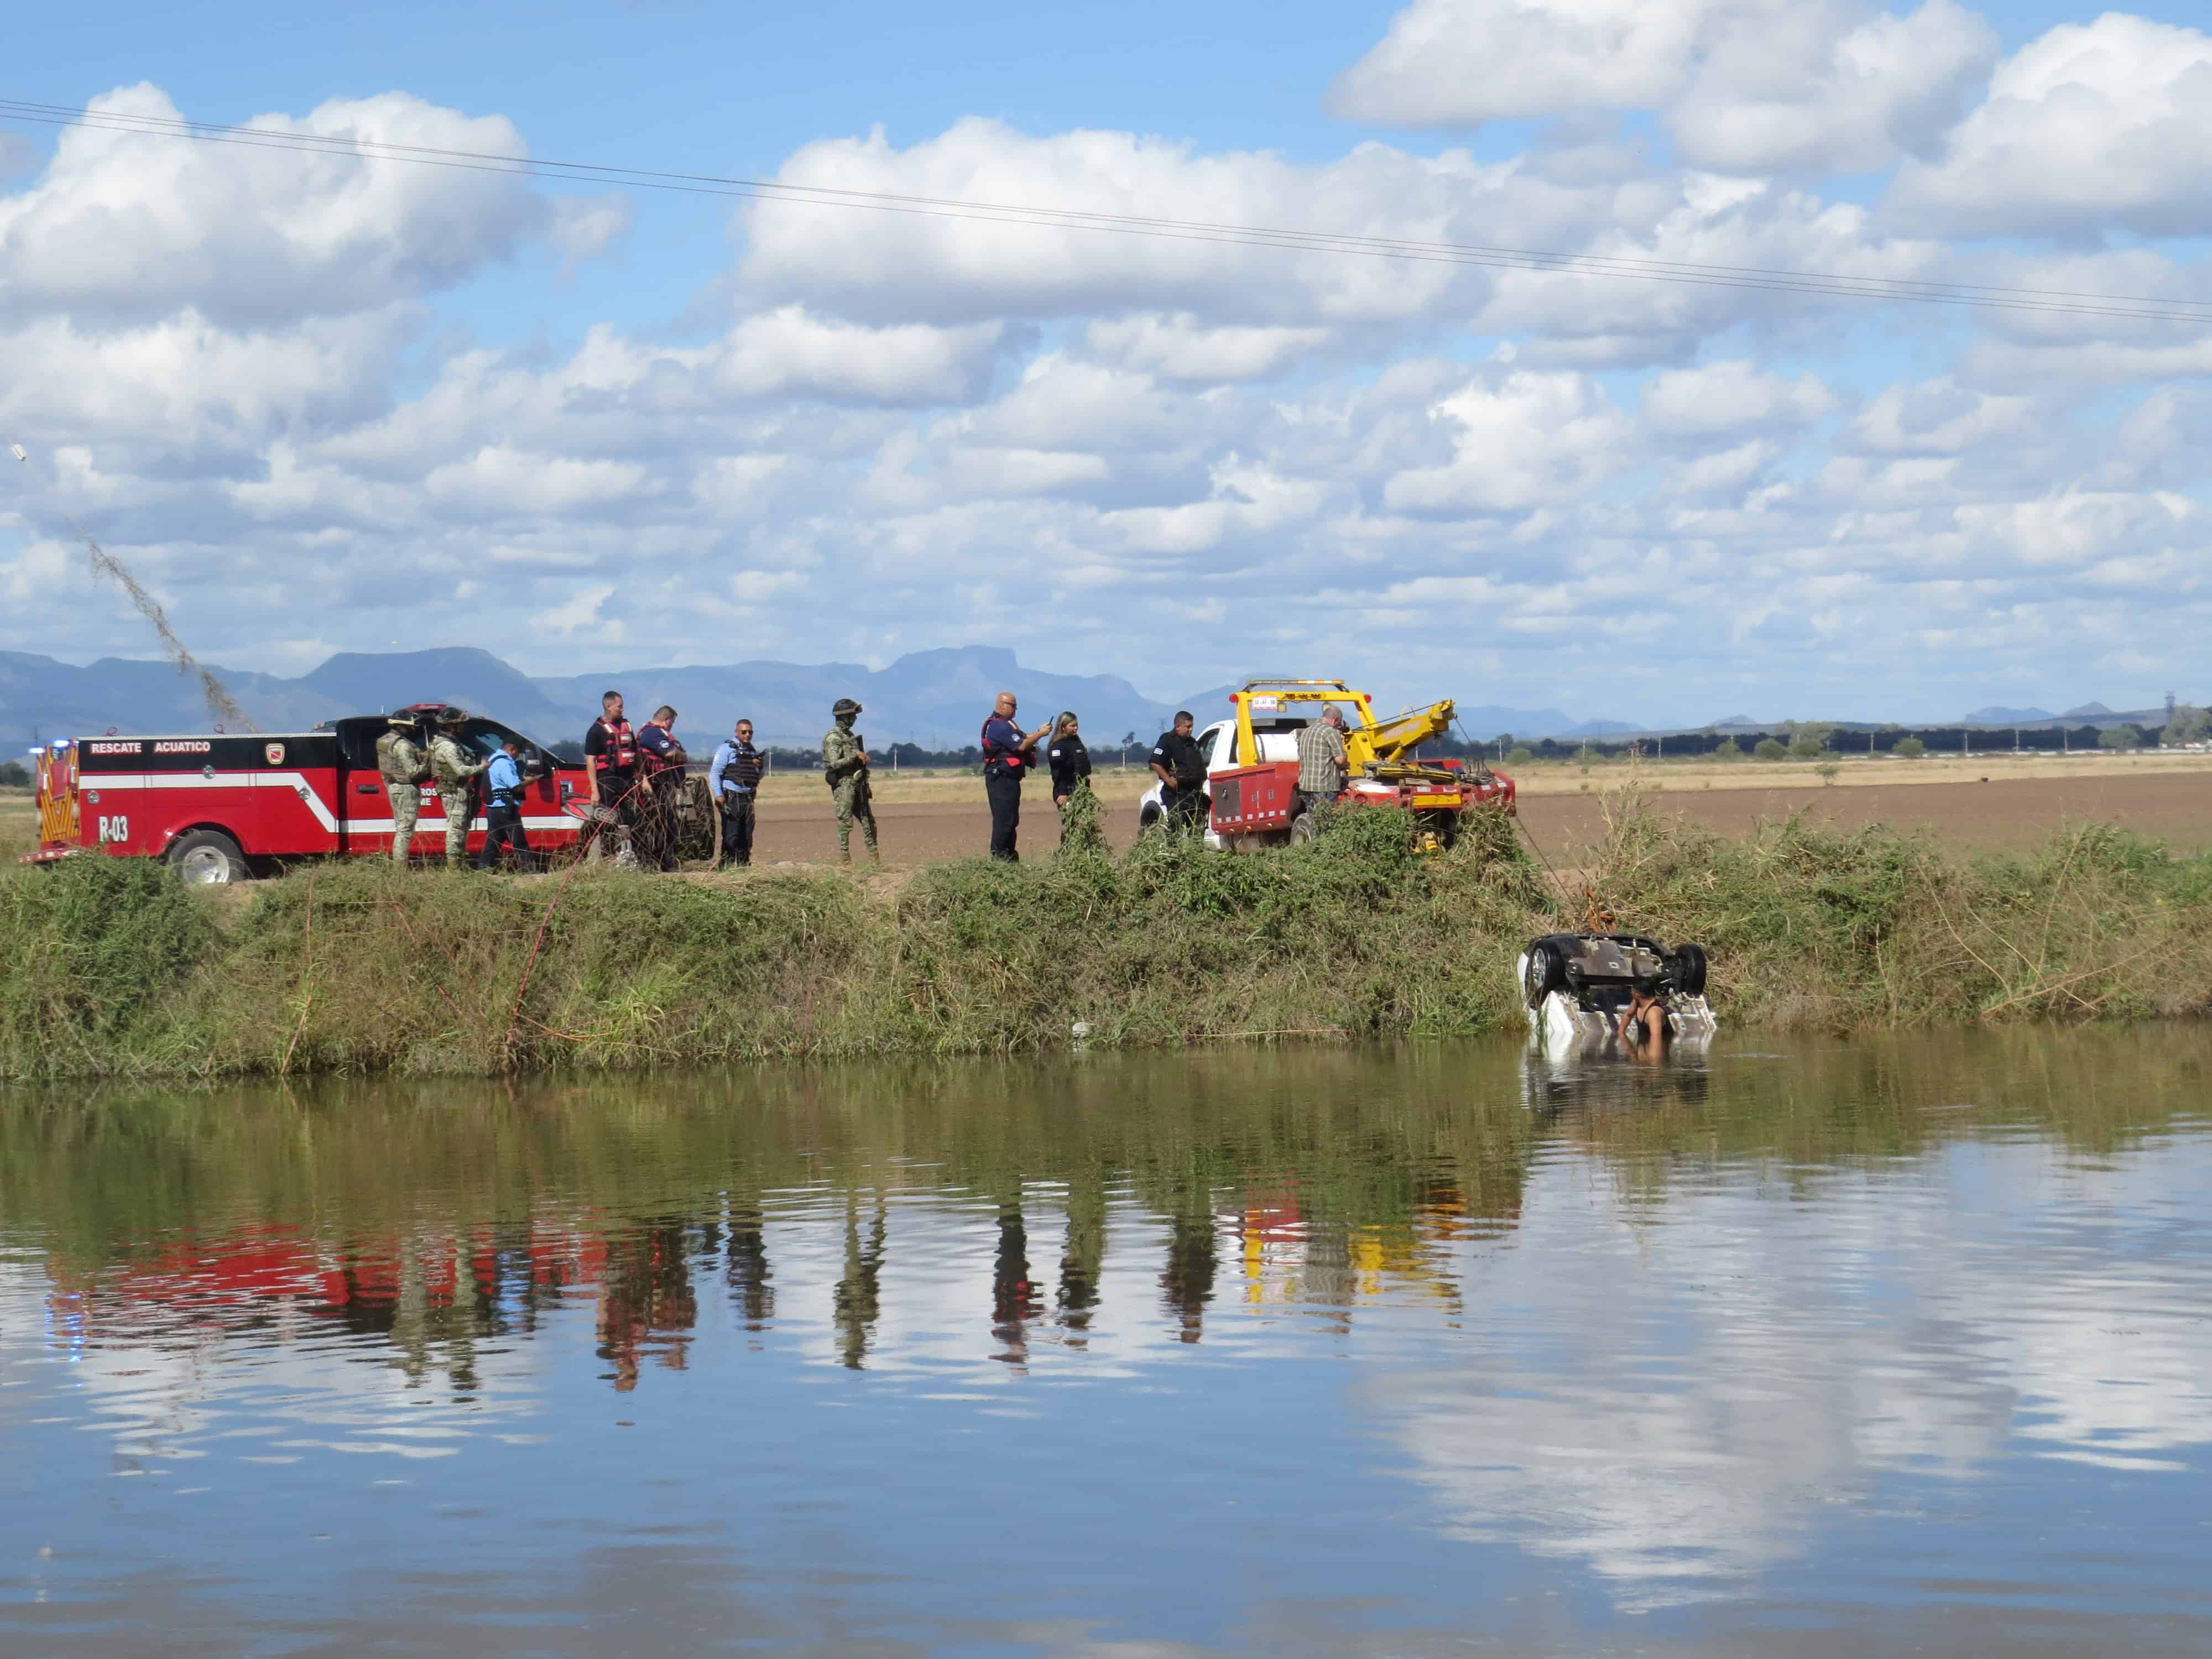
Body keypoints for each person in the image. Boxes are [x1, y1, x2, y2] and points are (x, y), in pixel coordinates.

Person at [980, 690, 1053, 861]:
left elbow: (1024, 737)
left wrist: (1039, 732)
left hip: (1009, 778)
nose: (1015, 710)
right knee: (1004, 820)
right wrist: (1041, 735)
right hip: (1001, 778)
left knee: (1011, 819)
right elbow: (1021, 746)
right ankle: (999, 859)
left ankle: (1009, 856)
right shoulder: (999, 726)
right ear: (1002, 705)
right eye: (1013, 706)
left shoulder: (1007, 725)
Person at [425, 706, 486, 869]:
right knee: (456, 829)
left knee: (461, 828)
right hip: (453, 792)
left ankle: (459, 863)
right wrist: (482, 767)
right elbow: (460, 770)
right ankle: (454, 868)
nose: (463, 727)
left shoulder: (448, 743)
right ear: (452, 726)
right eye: (460, 724)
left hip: (456, 791)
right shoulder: (448, 747)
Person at [822, 697, 878, 868]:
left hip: (858, 783)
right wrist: (855, 756)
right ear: (844, 716)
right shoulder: (834, 737)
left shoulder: (850, 736)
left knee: (868, 821)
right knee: (846, 823)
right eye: (852, 715)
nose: (854, 719)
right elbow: (833, 764)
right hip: (844, 785)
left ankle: (875, 860)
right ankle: (845, 861)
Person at [583, 690, 639, 858]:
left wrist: (643, 778)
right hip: (607, 781)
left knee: (630, 821)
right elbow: (590, 762)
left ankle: (630, 857)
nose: (622, 710)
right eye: (619, 707)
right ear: (608, 706)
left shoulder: (627, 727)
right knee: (607, 823)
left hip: (627, 781)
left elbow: (637, 754)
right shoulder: (596, 731)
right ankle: (607, 859)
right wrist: (595, 791)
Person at [634, 705, 687, 873]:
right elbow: (671, 754)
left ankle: (666, 860)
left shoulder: (661, 734)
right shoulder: (651, 733)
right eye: (673, 722)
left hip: (667, 786)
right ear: (667, 720)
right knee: (658, 824)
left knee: (668, 823)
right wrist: (683, 756)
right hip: (656, 786)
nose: (673, 725)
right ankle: (657, 862)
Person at [374, 711, 430, 865]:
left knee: (401, 827)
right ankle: (400, 867)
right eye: (410, 727)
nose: (413, 730)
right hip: (406, 789)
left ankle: (399, 866)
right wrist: (428, 765)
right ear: (401, 727)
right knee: (405, 831)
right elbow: (414, 772)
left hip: (393, 786)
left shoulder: (384, 741)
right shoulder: (403, 746)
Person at [708, 717, 765, 869]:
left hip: (748, 798)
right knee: (731, 835)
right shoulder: (727, 749)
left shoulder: (752, 751)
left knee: (746, 836)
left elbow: (757, 776)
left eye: (750, 732)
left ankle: (743, 867)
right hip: (731, 797)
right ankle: (725, 866)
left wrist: (760, 767)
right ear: (737, 732)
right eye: (744, 732)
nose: (748, 735)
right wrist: (718, 796)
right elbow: (715, 774)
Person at [1046, 710, 1104, 856]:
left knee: (1086, 825)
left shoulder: (1077, 742)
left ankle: (1086, 856)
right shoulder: (1058, 746)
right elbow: (1058, 773)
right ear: (1063, 727)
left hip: (1082, 790)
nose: (1076, 728)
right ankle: (1065, 857)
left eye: (1077, 725)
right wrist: (1062, 793)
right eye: (1072, 726)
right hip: (1067, 791)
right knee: (1070, 826)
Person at [476, 734, 531, 871]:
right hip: (506, 809)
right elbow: (515, 786)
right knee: (520, 843)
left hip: (494, 809)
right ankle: (529, 872)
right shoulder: (505, 762)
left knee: (493, 842)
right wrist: (530, 782)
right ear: (512, 749)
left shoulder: (493, 760)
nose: (517, 757)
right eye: (518, 753)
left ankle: (483, 870)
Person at [1150, 710, 1208, 833]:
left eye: (1192, 727)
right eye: (1188, 727)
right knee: (1176, 828)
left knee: (1197, 829)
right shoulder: (1167, 740)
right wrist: (1169, 780)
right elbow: (1155, 762)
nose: (1191, 730)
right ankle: (1175, 851)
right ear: (1178, 727)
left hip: (1194, 793)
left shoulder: (1192, 742)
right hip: (1176, 794)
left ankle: (1194, 851)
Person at [1294, 702, 1350, 827]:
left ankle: (1312, 844)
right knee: (1325, 823)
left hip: (1306, 785)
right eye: (1338, 724)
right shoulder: (1331, 732)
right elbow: (1340, 760)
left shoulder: (1306, 732)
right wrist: (1347, 764)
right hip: (1324, 786)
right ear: (1335, 720)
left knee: (1313, 820)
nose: (1338, 727)